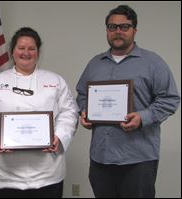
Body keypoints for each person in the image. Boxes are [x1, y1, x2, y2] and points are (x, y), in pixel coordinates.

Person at [76, 5, 180, 198]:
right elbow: (82, 95)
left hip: (138, 159)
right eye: (112, 27)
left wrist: (142, 118)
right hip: (101, 158)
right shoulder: (95, 64)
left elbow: (170, 98)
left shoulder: (152, 62)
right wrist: (84, 112)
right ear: (107, 30)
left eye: (124, 27)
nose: (118, 32)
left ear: (134, 30)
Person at [0, 27, 78, 198]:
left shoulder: (55, 81)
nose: (26, 53)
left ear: (38, 52)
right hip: (7, 172)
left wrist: (59, 136)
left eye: (31, 48)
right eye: (21, 48)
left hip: (47, 171)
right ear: (12, 51)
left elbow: (69, 112)